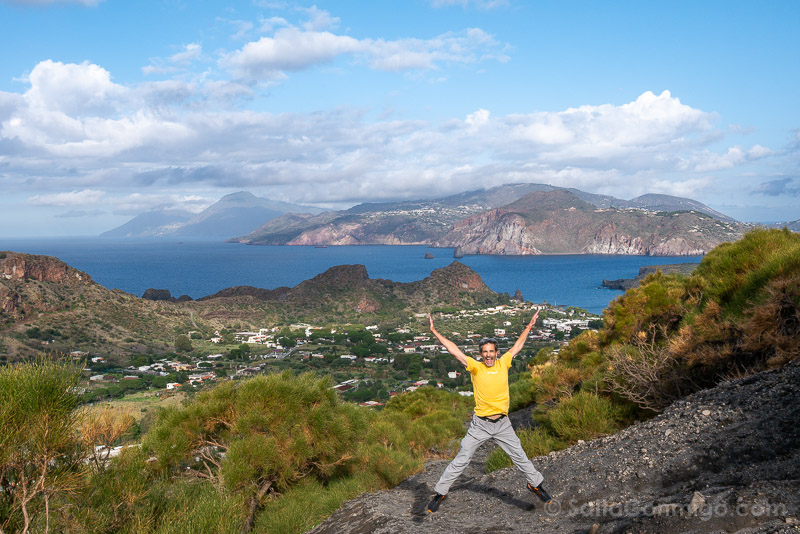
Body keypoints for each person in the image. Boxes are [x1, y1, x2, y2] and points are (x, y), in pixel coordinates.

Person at [426, 309, 553, 513]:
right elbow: (454, 350)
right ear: (481, 354)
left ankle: (535, 485)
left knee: (519, 455)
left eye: (491, 351)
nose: (488, 354)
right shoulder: (475, 367)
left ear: (496, 352)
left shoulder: (504, 364)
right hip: (480, 425)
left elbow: (518, 345)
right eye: (484, 351)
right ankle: (440, 493)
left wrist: (529, 325)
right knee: (462, 458)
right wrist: (435, 332)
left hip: (502, 424)